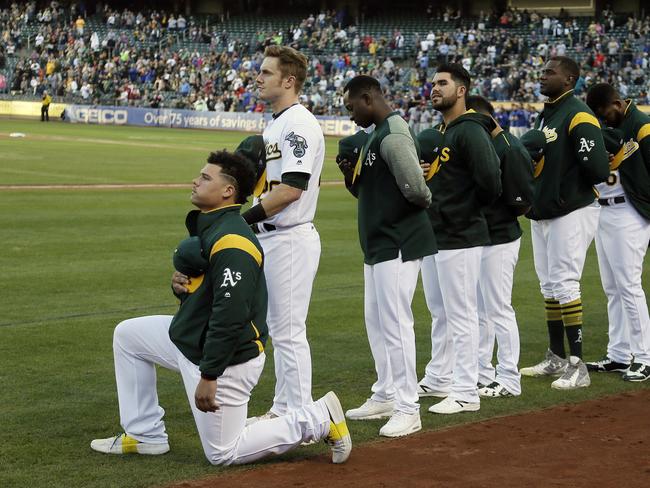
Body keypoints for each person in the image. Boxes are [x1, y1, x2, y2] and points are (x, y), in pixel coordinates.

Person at [90, 151, 351, 465]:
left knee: (223, 453)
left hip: (228, 359)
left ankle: (318, 418)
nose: (195, 181)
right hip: (194, 340)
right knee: (129, 336)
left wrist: (209, 375)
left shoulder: (233, 240)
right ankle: (145, 435)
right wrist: (184, 289)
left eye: (205, 177)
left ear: (228, 191)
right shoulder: (213, 227)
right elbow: (208, 295)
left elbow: (230, 316)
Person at [338, 75, 435, 437]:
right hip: (379, 243)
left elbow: (417, 190)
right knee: (377, 322)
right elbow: (371, 190)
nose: (350, 116)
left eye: (351, 107)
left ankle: (409, 407)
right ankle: (387, 393)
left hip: (398, 240)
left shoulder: (392, 134)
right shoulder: (376, 134)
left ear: (368, 98)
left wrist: (415, 197)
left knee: (395, 324)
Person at [242, 46, 324, 421]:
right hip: (271, 235)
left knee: (289, 332)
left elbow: (292, 189)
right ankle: (282, 409)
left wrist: (244, 218)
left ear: (288, 80)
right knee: (279, 329)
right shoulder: (276, 122)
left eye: (265, 72)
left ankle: (303, 416)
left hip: (289, 237)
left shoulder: (299, 123)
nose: (257, 77)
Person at [416, 64, 502, 414]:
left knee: (462, 314)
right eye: (433, 83)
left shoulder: (469, 130)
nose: (434, 88)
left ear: (461, 90)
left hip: (461, 234)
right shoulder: (447, 131)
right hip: (437, 234)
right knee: (440, 312)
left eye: (442, 83)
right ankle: (440, 377)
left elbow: (491, 183)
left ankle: (466, 391)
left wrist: (462, 211)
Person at [520, 57, 609, 389]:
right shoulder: (549, 112)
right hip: (545, 210)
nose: (542, 76)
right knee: (549, 286)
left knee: (566, 283)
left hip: (571, 208)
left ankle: (578, 365)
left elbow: (598, 168)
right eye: (542, 71)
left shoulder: (578, 114)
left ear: (569, 78)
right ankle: (556, 357)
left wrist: (566, 186)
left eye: (550, 72)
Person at [465, 95, 534, 398]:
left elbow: (520, 203)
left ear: (485, 119)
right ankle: (483, 372)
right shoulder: (485, 145)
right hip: (482, 237)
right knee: (481, 310)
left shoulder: (510, 147)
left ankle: (509, 377)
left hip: (502, 238)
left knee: (499, 309)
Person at [585, 83, 650, 382]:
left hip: (629, 211)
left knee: (628, 285)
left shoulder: (641, 124)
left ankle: (645, 356)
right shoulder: (622, 126)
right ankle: (619, 354)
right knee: (612, 287)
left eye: (604, 112)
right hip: (605, 211)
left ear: (616, 102)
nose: (603, 119)